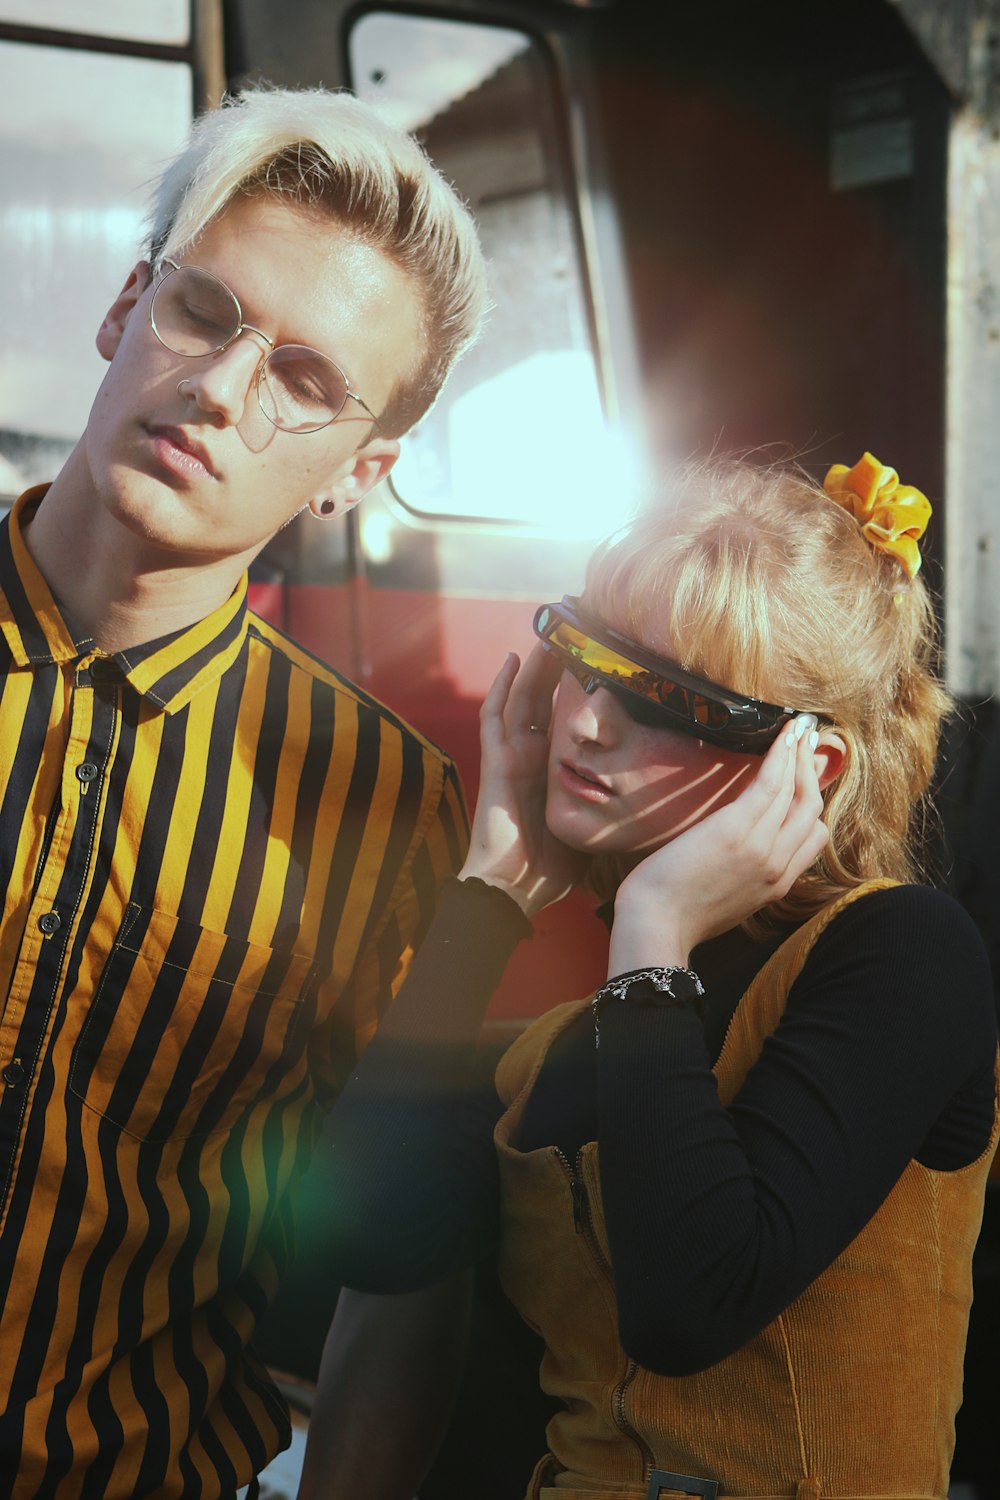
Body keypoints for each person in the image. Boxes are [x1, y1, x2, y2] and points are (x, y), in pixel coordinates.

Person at [321, 453, 999, 1499]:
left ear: (806, 768)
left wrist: (649, 928)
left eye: (665, 702)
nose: (587, 720)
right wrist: (489, 893)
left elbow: (692, 1302)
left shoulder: (901, 952)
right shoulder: (582, 1030)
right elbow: (369, 1239)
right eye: (584, 657)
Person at [0, 85, 487, 1497]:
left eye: (308, 382)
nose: (219, 389)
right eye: (203, 312)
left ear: (363, 469)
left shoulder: (385, 808)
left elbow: (405, 1267)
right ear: (122, 310)